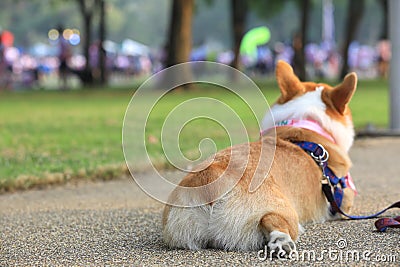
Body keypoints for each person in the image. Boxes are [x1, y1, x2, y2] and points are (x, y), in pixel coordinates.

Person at [57, 25, 72, 90]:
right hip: (63, 58)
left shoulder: (62, 40)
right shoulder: (63, 40)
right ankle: (64, 85)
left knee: (63, 73)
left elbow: (66, 49)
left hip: (63, 58)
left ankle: (64, 85)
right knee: (64, 72)